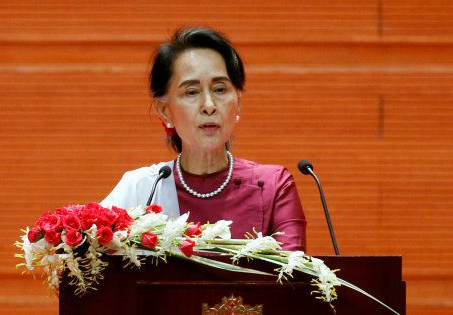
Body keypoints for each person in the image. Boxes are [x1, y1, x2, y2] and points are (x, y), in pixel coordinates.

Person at [100, 27, 306, 251]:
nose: (209, 105)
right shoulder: (143, 189)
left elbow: (293, 280)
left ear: (237, 100)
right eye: (191, 92)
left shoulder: (272, 186)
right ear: (164, 110)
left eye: (220, 89)